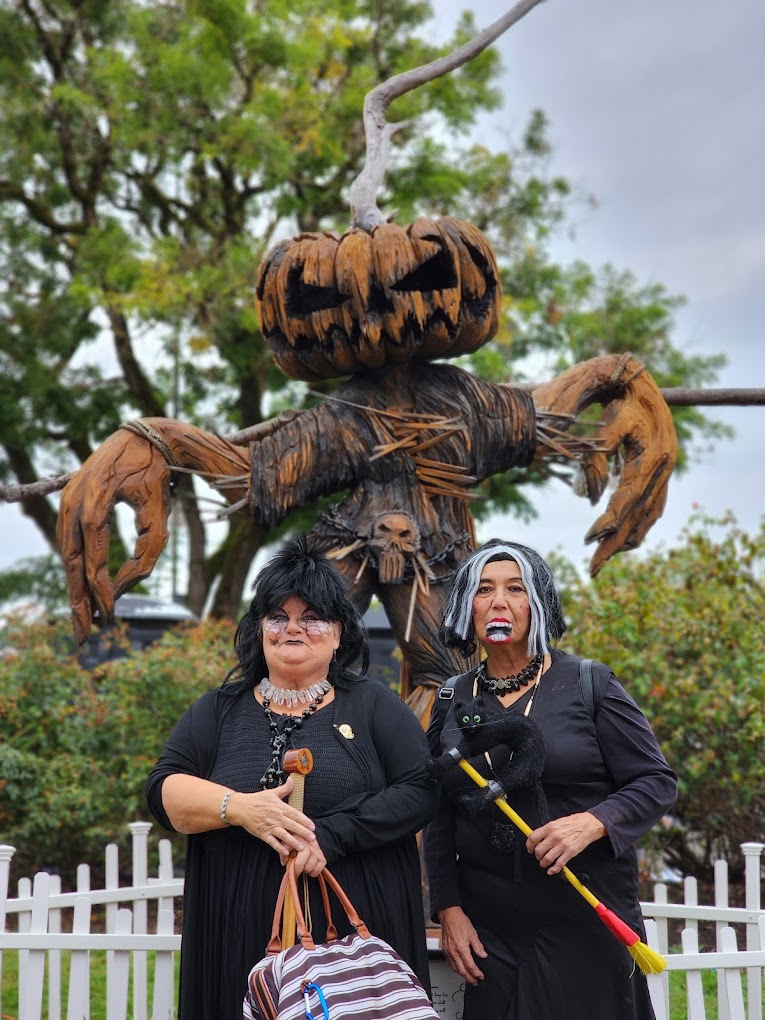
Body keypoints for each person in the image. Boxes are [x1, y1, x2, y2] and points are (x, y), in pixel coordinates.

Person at [146, 536, 435, 1019]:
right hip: (236, 933)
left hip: (350, 941)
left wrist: (331, 835)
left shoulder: (373, 705)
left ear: (339, 633)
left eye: (312, 618)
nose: (292, 629)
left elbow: (422, 788)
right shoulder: (218, 711)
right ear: (259, 629)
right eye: (277, 617)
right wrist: (241, 809)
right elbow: (164, 792)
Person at [424, 539, 677, 1019]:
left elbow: (656, 781)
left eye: (515, 589)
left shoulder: (589, 683)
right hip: (490, 934)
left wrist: (592, 823)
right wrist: (449, 911)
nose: (498, 601)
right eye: (484, 590)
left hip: (584, 916)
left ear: (537, 603)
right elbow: (437, 813)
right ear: (467, 607)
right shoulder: (452, 697)